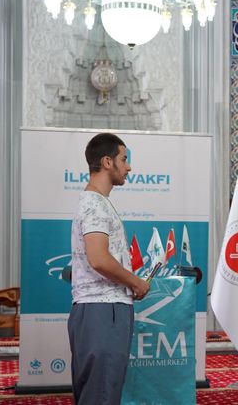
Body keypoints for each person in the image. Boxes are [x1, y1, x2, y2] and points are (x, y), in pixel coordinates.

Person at [67, 133, 150, 405]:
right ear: (107, 162)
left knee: (98, 392)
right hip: (103, 311)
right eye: (124, 159)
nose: (129, 167)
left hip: (99, 311)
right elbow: (99, 259)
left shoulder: (95, 201)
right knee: (101, 394)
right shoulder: (94, 204)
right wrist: (135, 282)